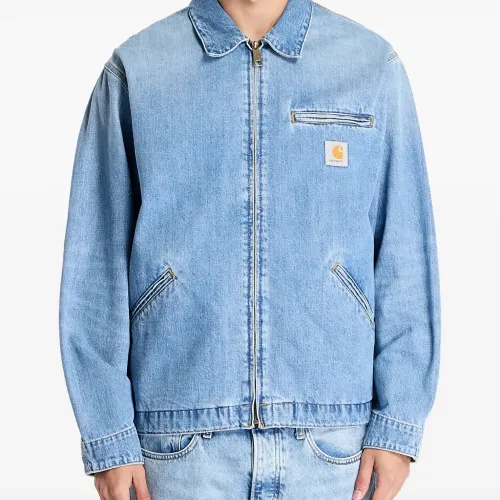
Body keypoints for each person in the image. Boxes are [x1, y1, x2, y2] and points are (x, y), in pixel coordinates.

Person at [59, 0, 441, 498]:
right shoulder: (139, 69)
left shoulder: (369, 65)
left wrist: (398, 424)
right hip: (176, 449)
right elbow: (95, 262)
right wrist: (109, 435)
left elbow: (405, 249)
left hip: (335, 448)